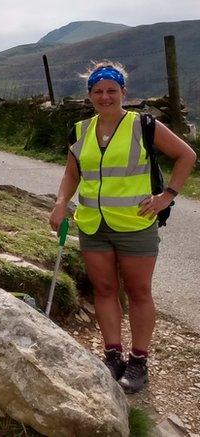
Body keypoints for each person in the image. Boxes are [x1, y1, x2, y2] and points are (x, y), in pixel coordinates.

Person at [49, 61, 196, 394]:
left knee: (139, 292)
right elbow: (72, 174)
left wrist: (167, 196)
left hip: (135, 224)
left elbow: (186, 155)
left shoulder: (143, 125)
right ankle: (112, 355)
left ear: (123, 93)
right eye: (98, 91)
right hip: (93, 224)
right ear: (90, 95)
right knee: (104, 290)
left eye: (111, 90)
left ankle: (139, 361)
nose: (105, 96)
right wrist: (61, 203)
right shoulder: (81, 130)